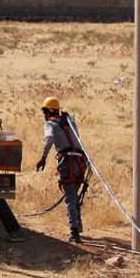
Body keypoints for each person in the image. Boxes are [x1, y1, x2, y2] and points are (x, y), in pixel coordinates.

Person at [34, 96, 88, 243]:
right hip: (80, 161)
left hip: (67, 162)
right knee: (74, 195)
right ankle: (78, 225)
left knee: (70, 196)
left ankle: (74, 232)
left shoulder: (50, 124)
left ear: (46, 112)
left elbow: (49, 139)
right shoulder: (70, 121)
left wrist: (43, 157)